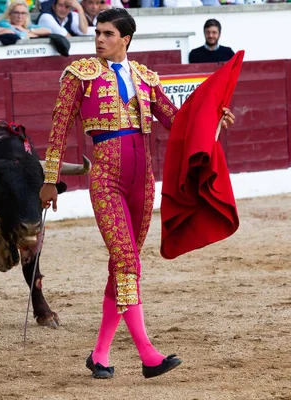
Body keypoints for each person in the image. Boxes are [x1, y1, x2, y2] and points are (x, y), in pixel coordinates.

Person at [39, 8, 235, 379]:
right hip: (107, 179)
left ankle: (99, 355)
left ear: (125, 39)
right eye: (97, 32)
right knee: (128, 262)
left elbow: (177, 122)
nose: (99, 39)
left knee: (123, 267)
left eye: (108, 33)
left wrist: (213, 121)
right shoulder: (78, 76)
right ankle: (148, 354)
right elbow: (58, 129)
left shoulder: (145, 77)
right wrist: (50, 180)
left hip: (143, 181)